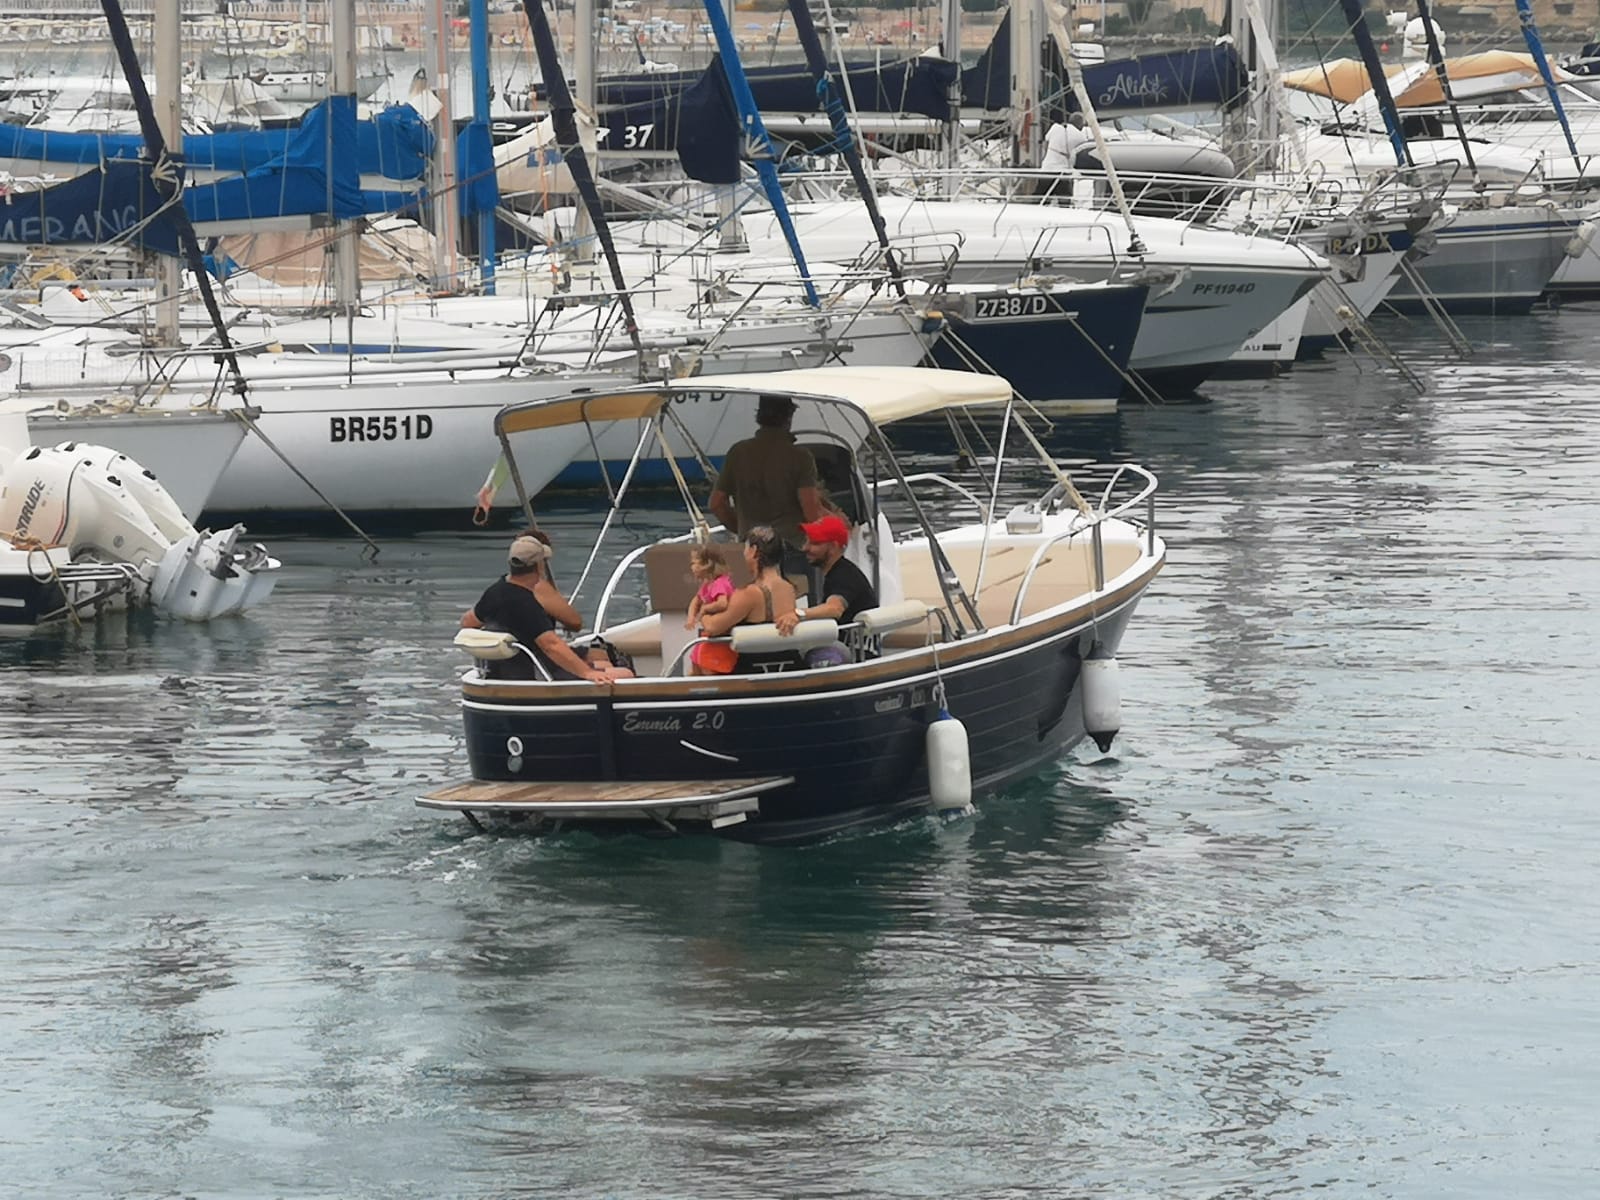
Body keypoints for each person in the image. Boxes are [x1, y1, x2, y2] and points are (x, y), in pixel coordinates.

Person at [460, 534, 632, 683]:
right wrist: (588, 673)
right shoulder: (526, 603)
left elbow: (468, 622)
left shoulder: (495, 591)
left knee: (600, 658)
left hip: (506, 669)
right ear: (539, 566)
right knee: (625, 674)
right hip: (538, 671)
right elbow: (551, 645)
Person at [708, 395, 823, 564]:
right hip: (791, 550)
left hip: (751, 550)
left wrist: (743, 532)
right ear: (789, 417)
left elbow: (716, 504)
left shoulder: (738, 452)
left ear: (759, 417)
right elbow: (810, 509)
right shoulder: (800, 457)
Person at [698, 526, 801, 674]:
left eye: (745, 549)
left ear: (753, 551)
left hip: (752, 671)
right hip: (791, 667)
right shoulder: (789, 588)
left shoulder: (748, 594)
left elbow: (713, 628)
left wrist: (704, 612)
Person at [685, 544, 737, 676]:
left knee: (708, 666)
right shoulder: (707, 584)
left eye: (694, 563)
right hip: (710, 632)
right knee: (696, 660)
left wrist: (705, 609)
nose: (692, 567)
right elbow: (695, 601)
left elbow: (722, 603)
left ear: (706, 565)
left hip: (721, 632)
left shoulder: (719, 584)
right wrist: (691, 617)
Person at [1038, 111, 1088, 198]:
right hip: (1063, 171)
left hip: (1047, 167)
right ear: (1080, 125)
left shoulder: (1055, 127)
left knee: (1040, 195)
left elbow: (1045, 143)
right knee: (1064, 198)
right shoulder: (1081, 137)